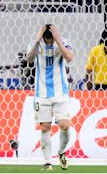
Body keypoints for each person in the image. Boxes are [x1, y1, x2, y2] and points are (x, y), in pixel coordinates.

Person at [25, 24, 74, 171]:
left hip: (60, 93)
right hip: (42, 94)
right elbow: (29, 59)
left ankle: (60, 152)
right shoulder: (36, 43)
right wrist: (36, 40)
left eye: (49, 40)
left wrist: (58, 40)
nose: (48, 42)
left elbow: (70, 58)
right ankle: (47, 162)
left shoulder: (63, 42)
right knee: (45, 127)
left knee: (65, 125)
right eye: (46, 40)